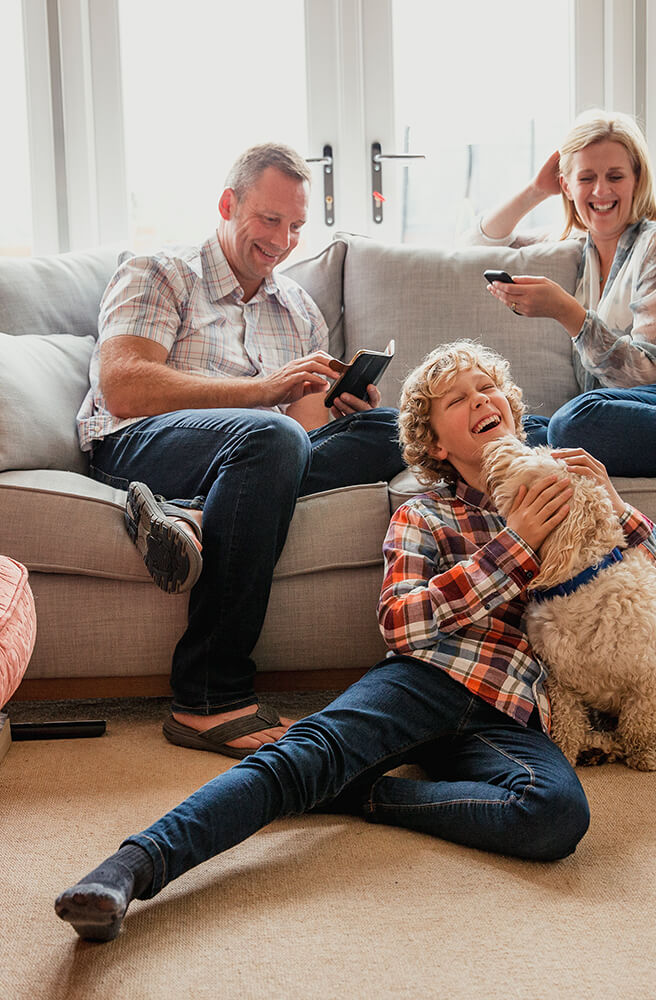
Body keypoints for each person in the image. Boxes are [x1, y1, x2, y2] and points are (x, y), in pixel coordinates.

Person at [56, 340, 597, 943]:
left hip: (508, 708)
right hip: (423, 682)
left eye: (489, 389)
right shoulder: (423, 514)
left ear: (516, 412)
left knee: (557, 816)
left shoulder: (570, 500)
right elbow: (401, 621)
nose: (480, 400)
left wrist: (622, 508)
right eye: (458, 399)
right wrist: (513, 544)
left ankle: (365, 795)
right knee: (296, 761)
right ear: (437, 445)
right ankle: (128, 870)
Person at [76, 143, 404, 758]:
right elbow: (123, 387)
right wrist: (264, 393)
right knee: (270, 434)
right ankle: (206, 696)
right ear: (229, 204)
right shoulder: (160, 271)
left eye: (297, 226)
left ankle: (193, 513)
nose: (283, 241)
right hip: (138, 441)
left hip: (258, 457)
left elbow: (301, 438)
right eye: (270, 220)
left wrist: (336, 410)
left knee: (391, 430)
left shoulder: (298, 307)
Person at [466, 108, 656, 477]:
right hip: (632, 410)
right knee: (520, 430)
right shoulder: (575, 247)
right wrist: (536, 189)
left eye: (615, 176)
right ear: (567, 186)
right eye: (586, 178)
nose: (601, 191)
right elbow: (477, 245)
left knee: (577, 418)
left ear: (636, 180)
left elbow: (652, 376)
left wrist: (568, 313)